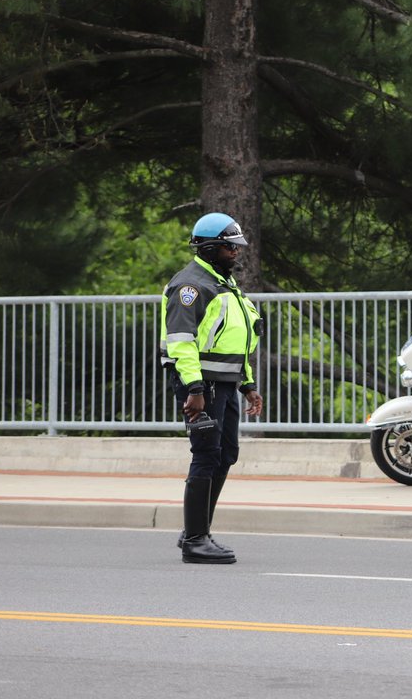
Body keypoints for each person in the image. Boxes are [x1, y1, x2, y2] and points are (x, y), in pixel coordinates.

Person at [160, 212, 264, 565]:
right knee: (205, 454)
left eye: (236, 247)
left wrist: (248, 384)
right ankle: (195, 540)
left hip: (225, 383)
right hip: (200, 384)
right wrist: (193, 388)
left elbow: (237, 341)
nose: (236, 252)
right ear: (207, 248)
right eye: (228, 247)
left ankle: (198, 526)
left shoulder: (225, 285)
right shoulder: (191, 286)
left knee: (226, 454)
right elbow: (181, 343)